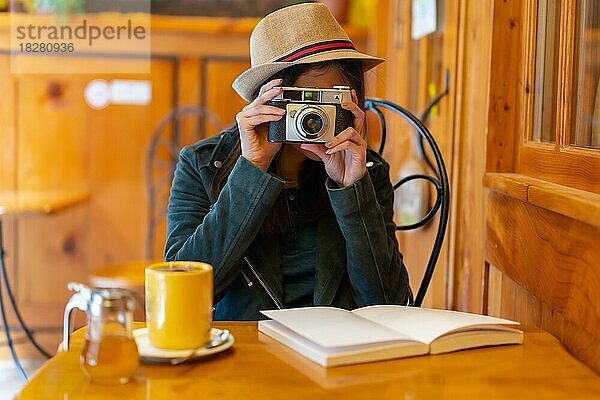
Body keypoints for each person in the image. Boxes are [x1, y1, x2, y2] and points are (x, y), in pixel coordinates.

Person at [164, 2, 410, 320]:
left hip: (335, 354)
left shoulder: (365, 173)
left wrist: (351, 190)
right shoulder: (201, 165)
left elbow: (390, 305)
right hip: (246, 354)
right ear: (267, 100)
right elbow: (180, 294)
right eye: (304, 100)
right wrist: (251, 172)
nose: (314, 117)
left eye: (330, 100)